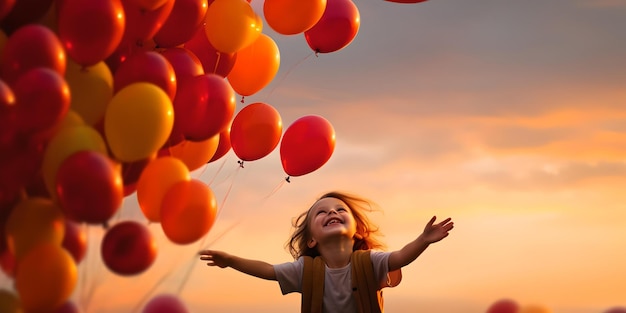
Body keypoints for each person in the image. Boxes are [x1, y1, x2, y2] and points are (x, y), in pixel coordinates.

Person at [198, 191, 454, 312]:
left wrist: (423, 240)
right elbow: (268, 270)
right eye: (321, 212)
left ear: (357, 231)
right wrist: (230, 260)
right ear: (311, 240)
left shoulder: (369, 262)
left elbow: (400, 257)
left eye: (340, 210)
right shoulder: (306, 270)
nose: (332, 212)